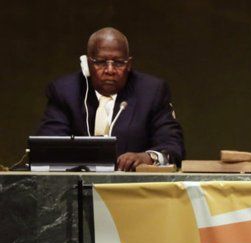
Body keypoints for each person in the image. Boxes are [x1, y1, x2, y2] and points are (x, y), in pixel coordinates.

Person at [36, 27, 185, 171]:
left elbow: (173, 147)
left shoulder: (151, 92)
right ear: (87, 64)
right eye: (101, 62)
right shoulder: (65, 91)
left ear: (129, 65)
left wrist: (147, 158)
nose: (110, 70)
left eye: (119, 63)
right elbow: (48, 148)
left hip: (132, 189)